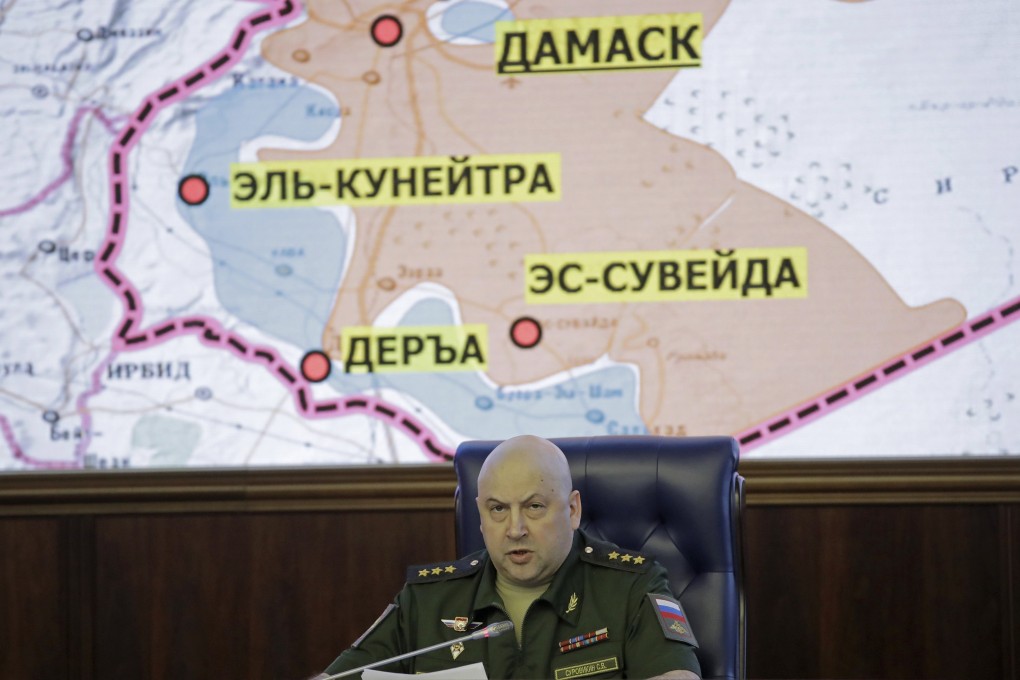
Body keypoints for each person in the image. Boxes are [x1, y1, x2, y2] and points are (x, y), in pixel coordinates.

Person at [317, 435, 701, 679]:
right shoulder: (426, 600)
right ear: (480, 515)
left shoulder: (631, 588)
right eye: (498, 509)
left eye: (534, 507)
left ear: (572, 510)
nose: (515, 529)